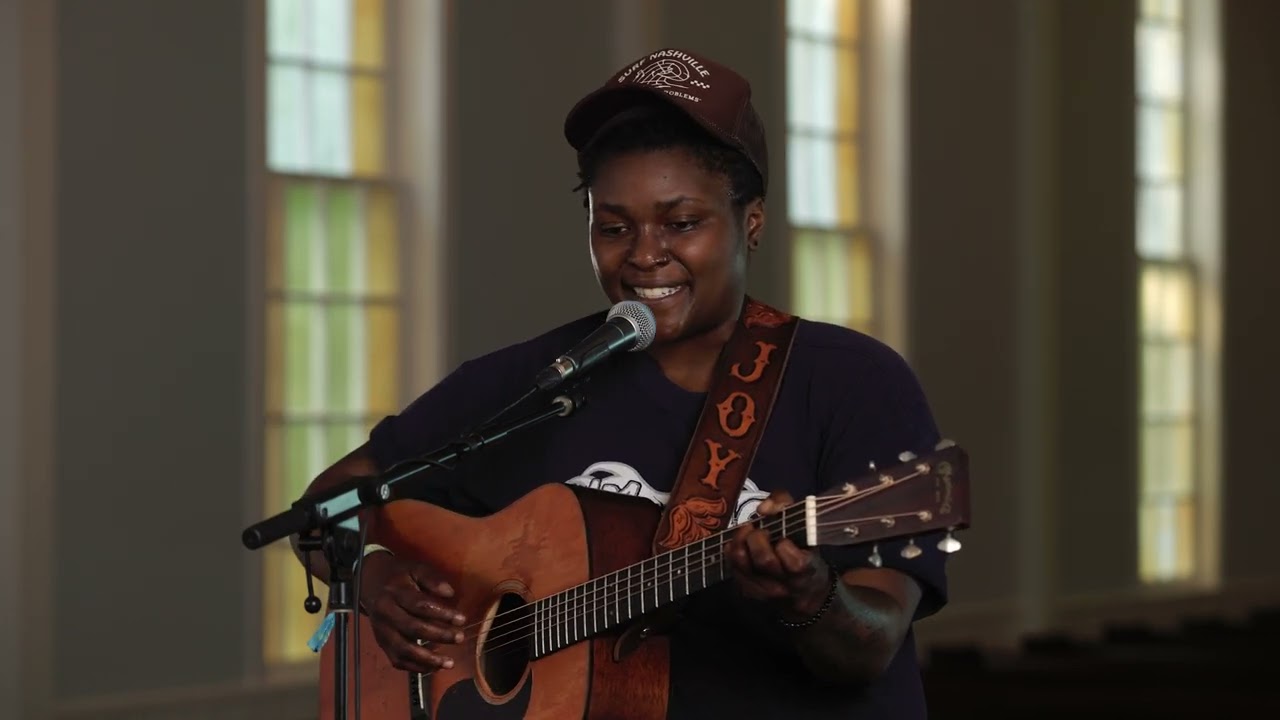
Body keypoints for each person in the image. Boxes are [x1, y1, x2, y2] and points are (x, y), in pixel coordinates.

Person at [294, 47, 951, 719]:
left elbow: (872, 645)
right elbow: (325, 508)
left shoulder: (854, 382)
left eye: (681, 222)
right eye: (613, 226)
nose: (643, 253)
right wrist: (377, 579)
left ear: (750, 222)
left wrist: (812, 597)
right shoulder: (533, 381)